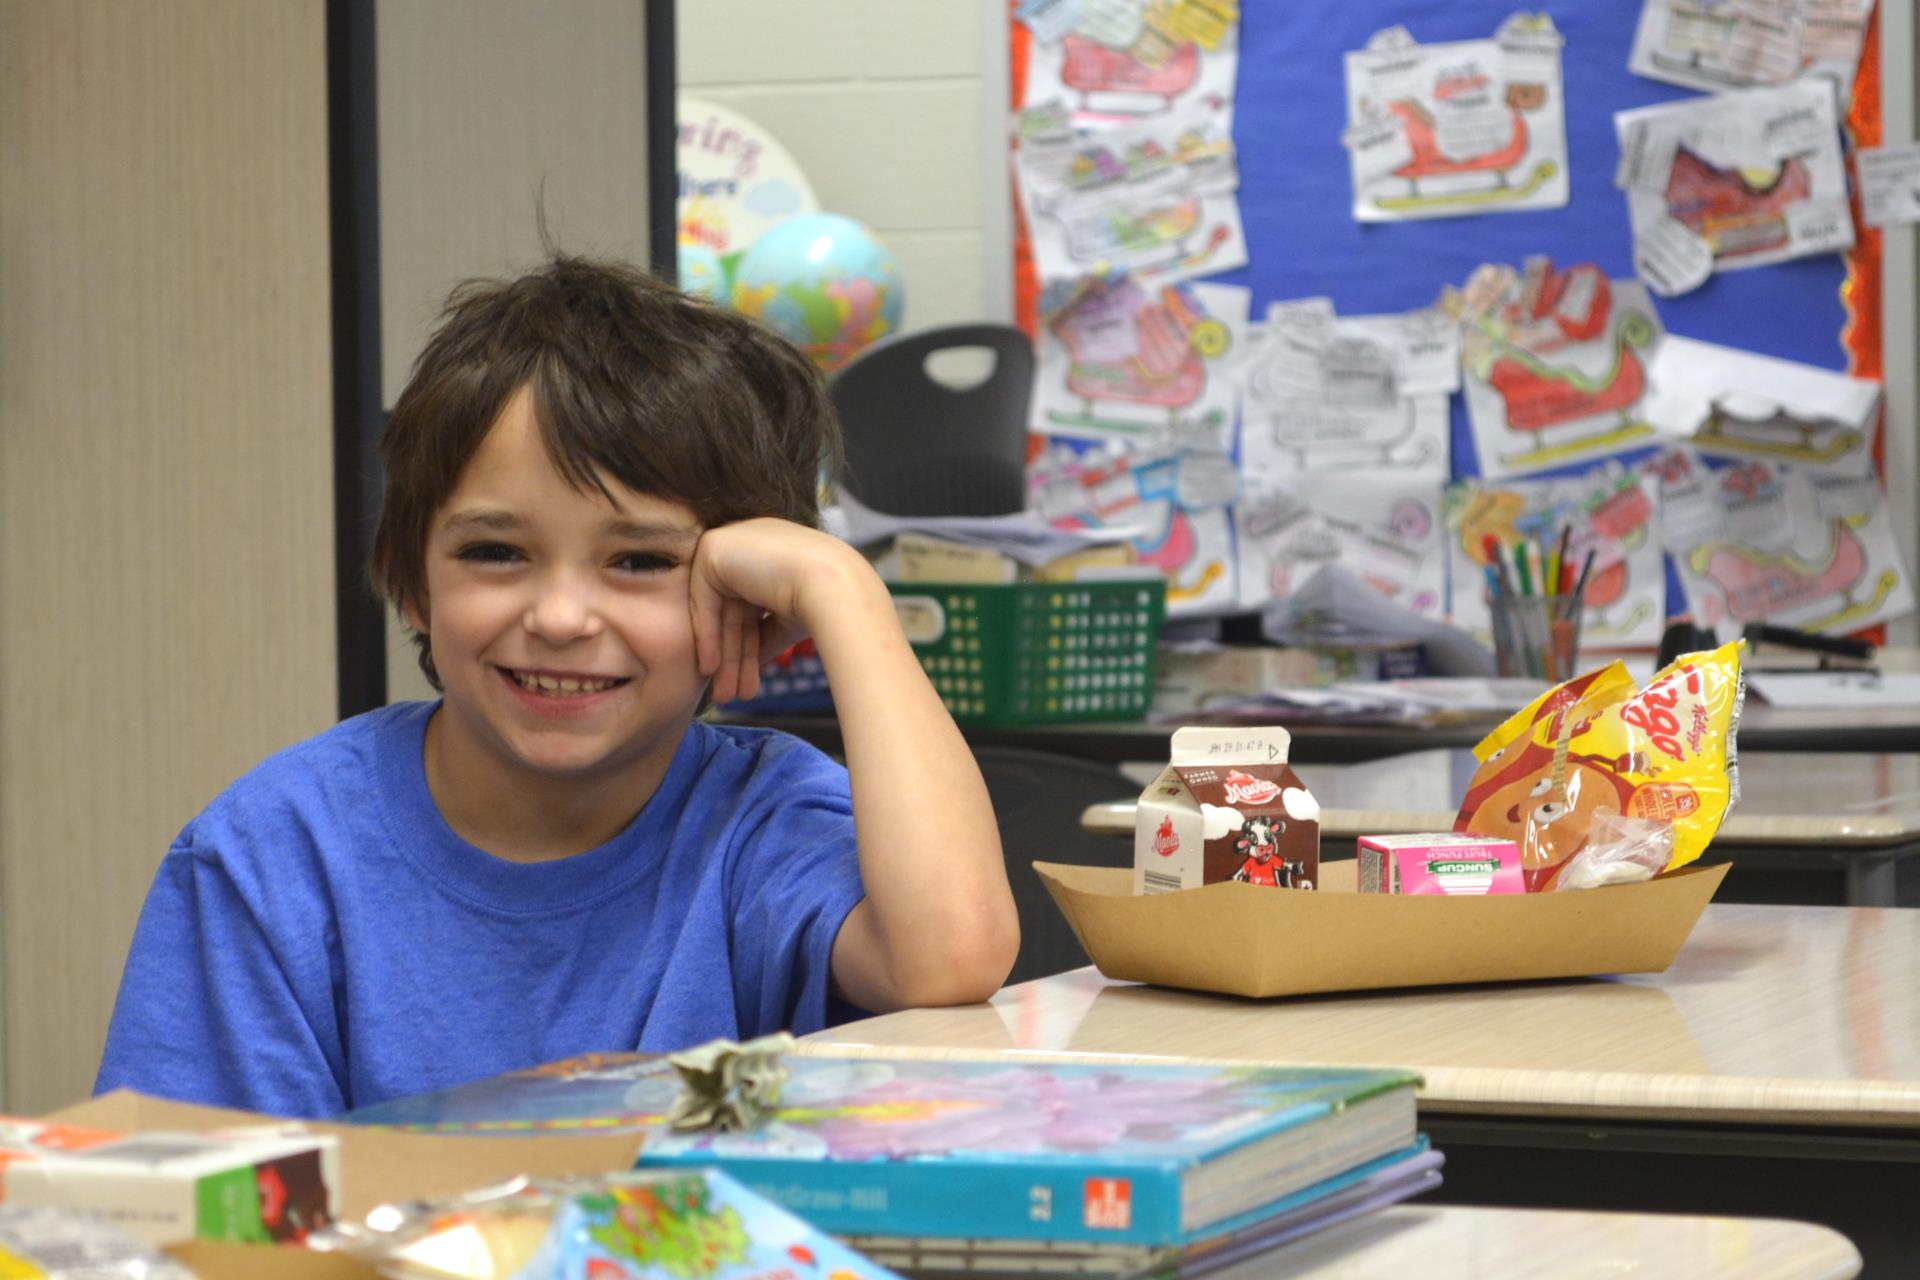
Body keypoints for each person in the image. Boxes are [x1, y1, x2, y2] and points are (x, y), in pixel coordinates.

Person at [95, 255, 1019, 1116]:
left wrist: (845, 591)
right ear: (413, 582)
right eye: (496, 553)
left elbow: (951, 955)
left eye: (640, 560)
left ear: (744, 601)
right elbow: (191, 1217)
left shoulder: (761, 820)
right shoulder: (273, 859)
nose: (562, 617)